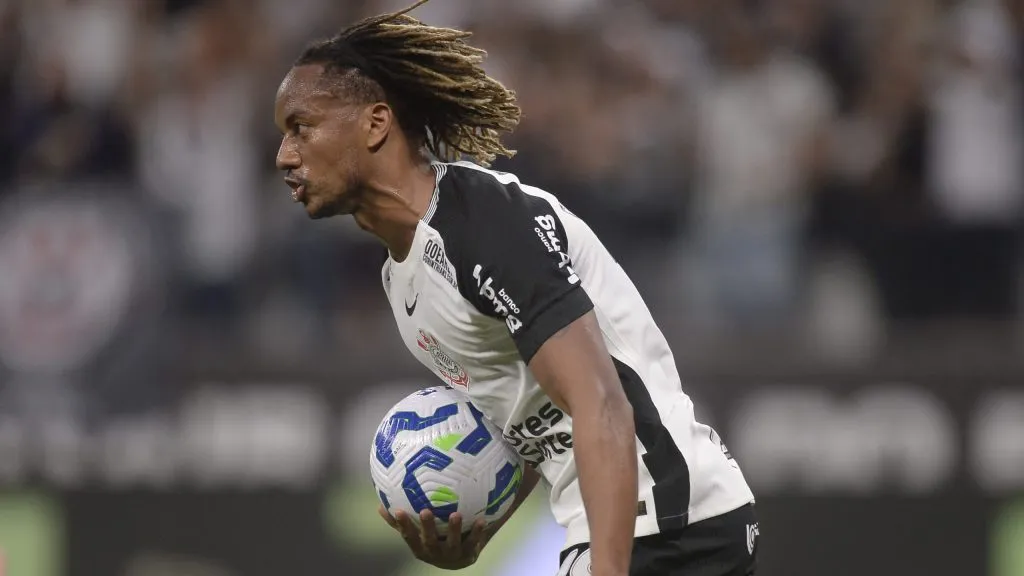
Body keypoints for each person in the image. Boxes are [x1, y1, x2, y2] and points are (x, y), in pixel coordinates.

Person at [273, 1, 757, 574]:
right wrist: (480, 532)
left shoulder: (481, 224)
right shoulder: (402, 279)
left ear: (376, 124)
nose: (285, 156)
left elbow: (601, 402)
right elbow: (533, 419)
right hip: (641, 524)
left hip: (665, 520)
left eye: (300, 128)